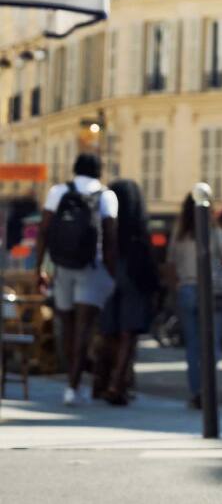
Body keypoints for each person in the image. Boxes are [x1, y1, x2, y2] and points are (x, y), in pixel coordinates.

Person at [35, 152, 118, 406]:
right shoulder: (106, 196)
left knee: (67, 326)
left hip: (62, 266)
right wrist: (112, 273)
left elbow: (43, 231)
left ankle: (72, 383)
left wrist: (39, 268)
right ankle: (74, 385)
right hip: (91, 267)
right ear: (99, 170)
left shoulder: (58, 191)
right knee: (84, 328)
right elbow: (111, 236)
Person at [93, 179, 160, 405]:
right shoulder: (138, 231)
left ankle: (101, 381)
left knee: (108, 331)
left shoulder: (107, 224)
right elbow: (149, 263)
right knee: (127, 333)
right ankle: (118, 383)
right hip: (132, 274)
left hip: (107, 274)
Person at [166, 192, 222, 409]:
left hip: (187, 288)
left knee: (193, 346)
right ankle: (207, 390)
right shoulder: (213, 231)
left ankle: (197, 392)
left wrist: (177, 287)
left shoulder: (180, 233)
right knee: (212, 344)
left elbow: (170, 264)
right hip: (211, 289)